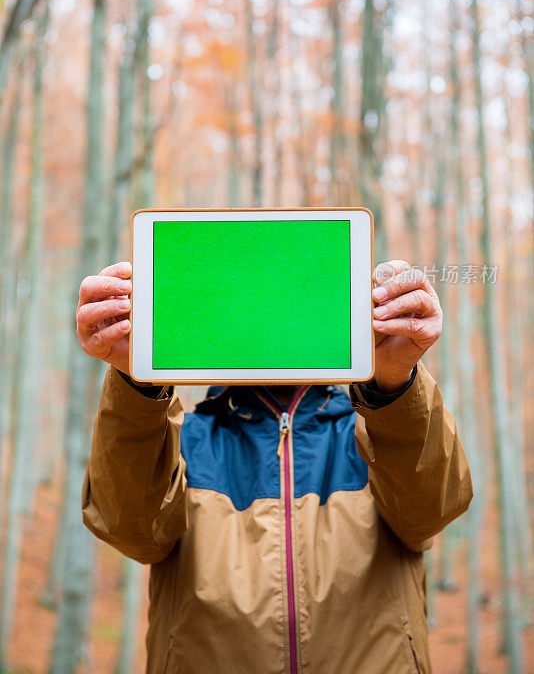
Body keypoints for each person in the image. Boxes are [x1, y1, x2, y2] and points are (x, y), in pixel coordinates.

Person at [78, 258, 472, 674]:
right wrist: (135, 382)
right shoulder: (178, 439)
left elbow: (430, 512)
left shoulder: (380, 432)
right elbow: (133, 533)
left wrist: (394, 382)